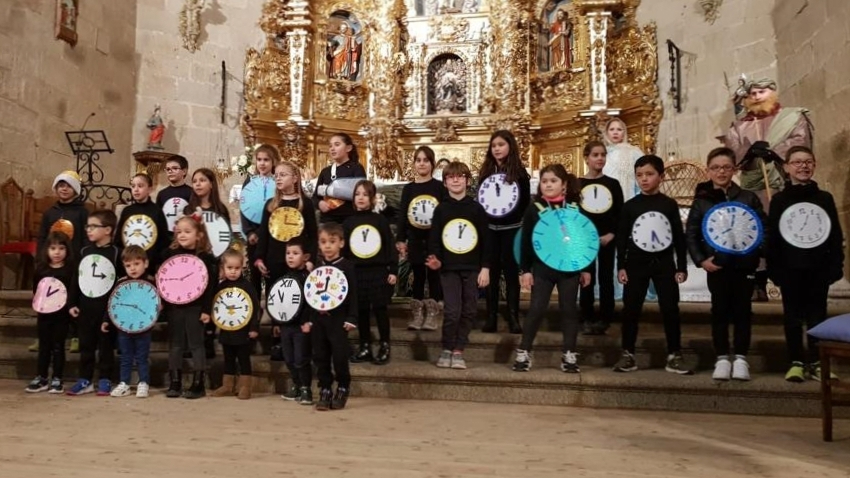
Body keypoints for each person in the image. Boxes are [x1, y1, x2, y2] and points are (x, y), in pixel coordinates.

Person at [723, 78, 813, 301]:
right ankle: (758, 282)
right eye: (752, 93)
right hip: (753, 189)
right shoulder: (740, 124)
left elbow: (801, 141)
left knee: (784, 230)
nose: (756, 97)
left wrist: (775, 151)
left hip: (782, 185)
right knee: (756, 233)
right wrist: (749, 151)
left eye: (761, 92)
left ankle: (790, 281)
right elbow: (732, 150)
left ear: (773, 93)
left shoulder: (792, 117)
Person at [685, 147, 766, 381]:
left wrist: (756, 253)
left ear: (734, 169)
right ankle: (721, 357)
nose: (721, 172)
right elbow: (691, 233)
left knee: (743, 311)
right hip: (717, 266)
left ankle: (741, 358)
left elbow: (762, 227)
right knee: (719, 311)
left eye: (726, 167)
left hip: (744, 265)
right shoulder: (702, 201)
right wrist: (702, 260)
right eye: (716, 168)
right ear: (708, 171)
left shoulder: (748, 197)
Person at [766, 146, 844, 383]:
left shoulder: (824, 198)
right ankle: (796, 362)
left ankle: (818, 362)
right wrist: (774, 269)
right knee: (792, 317)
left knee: (817, 317)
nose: (803, 166)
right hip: (790, 268)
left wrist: (835, 265)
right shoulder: (779, 200)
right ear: (788, 167)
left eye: (808, 161)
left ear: (814, 165)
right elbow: (773, 238)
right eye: (797, 162)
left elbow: (834, 234)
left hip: (818, 267)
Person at [613, 155, 691, 374]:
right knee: (631, 310)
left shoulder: (669, 204)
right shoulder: (630, 207)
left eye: (649, 174)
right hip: (636, 264)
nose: (644, 179)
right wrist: (621, 266)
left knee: (670, 309)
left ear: (661, 177)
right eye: (639, 175)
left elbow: (678, 236)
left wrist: (682, 266)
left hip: (664, 263)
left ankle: (674, 354)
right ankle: (628, 354)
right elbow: (621, 238)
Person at [512, 164, 591, 373]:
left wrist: (586, 268)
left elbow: (583, 240)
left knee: (569, 310)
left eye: (553, 181)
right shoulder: (534, 208)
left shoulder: (574, 208)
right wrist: (525, 270)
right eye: (545, 181)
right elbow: (526, 242)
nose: (548, 184)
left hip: (569, 269)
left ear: (563, 185)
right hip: (542, 268)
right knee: (536, 309)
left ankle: (569, 354)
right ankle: (524, 352)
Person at [427, 161, 490, 369]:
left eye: (460, 176)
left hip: (472, 267)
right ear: (445, 182)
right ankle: (447, 348)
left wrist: (485, 267)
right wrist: (435, 259)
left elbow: (485, 240)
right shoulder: (441, 209)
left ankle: (458, 349)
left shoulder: (476, 208)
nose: (456, 179)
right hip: (449, 268)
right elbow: (434, 238)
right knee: (453, 311)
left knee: (470, 309)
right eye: (451, 177)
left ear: (467, 181)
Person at [477, 130, 530, 334]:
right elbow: (481, 200)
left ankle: (513, 317)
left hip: (511, 230)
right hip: (490, 230)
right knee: (491, 271)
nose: (497, 148)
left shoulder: (519, 173)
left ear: (510, 146)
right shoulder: (486, 173)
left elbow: (524, 202)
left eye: (501, 144)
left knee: (510, 274)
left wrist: (512, 217)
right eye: (494, 145)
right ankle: (491, 317)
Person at [162, 215, 218, 399]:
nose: (182, 235)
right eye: (179, 232)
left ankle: (198, 382)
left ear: (199, 235)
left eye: (187, 231)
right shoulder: (170, 256)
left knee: (196, 344)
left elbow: (210, 287)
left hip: (196, 307)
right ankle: (175, 381)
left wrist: (206, 310)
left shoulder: (205, 258)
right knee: (175, 344)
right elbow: (164, 279)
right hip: (175, 307)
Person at [67, 210, 122, 396]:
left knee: (106, 345)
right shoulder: (84, 251)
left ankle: (105, 379)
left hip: (106, 308)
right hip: (86, 306)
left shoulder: (116, 253)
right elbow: (77, 278)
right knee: (86, 345)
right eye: (87, 226)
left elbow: (119, 283)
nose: (89, 230)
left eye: (93, 226)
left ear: (107, 229)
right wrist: (72, 302)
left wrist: (112, 311)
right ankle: (85, 379)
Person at [344, 180, 398, 365]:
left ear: (372, 198)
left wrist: (393, 269)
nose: (360, 198)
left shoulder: (380, 220)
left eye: (365, 194)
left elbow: (389, 246)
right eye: (357, 194)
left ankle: (384, 345)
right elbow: (345, 251)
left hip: (378, 271)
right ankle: (365, 345)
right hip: (357, 272)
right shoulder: (349, 222)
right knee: (362, 311)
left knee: (380, 309)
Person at [34, 170, 88, 354]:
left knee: (71, 299)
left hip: (73, 263)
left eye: (68, 186)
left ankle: (74, 335)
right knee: (47, 298)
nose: (64, 189)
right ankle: (43, 336)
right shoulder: (50, 212)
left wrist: (82, 259)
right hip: (52, 263)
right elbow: (43, 237)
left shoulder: (82, 212)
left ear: (76, 189)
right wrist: (41, 258)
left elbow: (84, 237)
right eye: (61, 185)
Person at [306, 223, 358, 410]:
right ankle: (325, 389)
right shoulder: (317, 268)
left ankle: (343, 387)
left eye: (332, 242)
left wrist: (352, 317)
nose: (327, 246)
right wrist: (311, 318)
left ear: (341, 243)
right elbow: (311, 294)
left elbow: (353, 294)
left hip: (338, 320)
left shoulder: (347, 267)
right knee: (320, 356)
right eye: (323, 242)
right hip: (319, 320)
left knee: (339, 356)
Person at [397, 146, 446, 330]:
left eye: (426, 160)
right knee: (417, 275)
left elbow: (444, 213)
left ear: (432, 164)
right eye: (418, 160)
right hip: (416, 239)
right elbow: (402, 215)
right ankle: (417, 314)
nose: (422, 163)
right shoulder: (409, 189)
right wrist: (401, 239)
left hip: (434, 239)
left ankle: (433, 314)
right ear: (414, 164)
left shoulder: (439, 187)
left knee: (434, 275)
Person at [578, 141, 624, 335]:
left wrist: (612, 234)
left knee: (606, 277)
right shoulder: (578, 184)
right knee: (586, 278)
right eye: (595, 155)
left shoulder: (613, 184)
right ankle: (586, 317)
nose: (600, 158)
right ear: (586, 158)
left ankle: (605, 317)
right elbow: (577, 214)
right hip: (585, 239)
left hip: (607, 237)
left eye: (603, 155)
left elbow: (619, 213)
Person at [186, 168, 231, 359]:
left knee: (209, 301)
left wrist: (222, 264)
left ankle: (208, 339)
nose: (197, 184)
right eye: (195, 181)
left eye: (202, 180)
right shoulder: (189, 210)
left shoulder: (220, 210)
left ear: (211, 184)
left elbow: (226, 239)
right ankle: (192, 341)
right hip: (193, 263)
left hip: (212, 263)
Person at [101, 246, 157, 398]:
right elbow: (113, 303)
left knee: (142, 356)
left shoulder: (152, 282)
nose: (132, 268)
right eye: (128, 265)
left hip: (143, 327)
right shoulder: (121, 282)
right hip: (124, 326)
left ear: (145, 264)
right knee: (125, 356)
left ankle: (143, 382)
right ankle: (124, 383)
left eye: (136, 264)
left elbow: (156, 304)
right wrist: (107, 320)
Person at [26, 232, 78, 393]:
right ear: (46, 250)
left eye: (61, 248)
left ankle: (57, 378)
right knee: (44, 346)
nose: (57, 252)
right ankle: (41, 377)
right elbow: (38, 291)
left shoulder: (70, 271)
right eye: (53, 248)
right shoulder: (41, 269)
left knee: (58, 346)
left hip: (61, 316)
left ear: (67, 250)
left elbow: (72, 292)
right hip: (44, 314)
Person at [255, 161, 317, 289]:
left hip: (299, 262)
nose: (278, 178)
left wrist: (311, 260)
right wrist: (260, 258)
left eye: (283, 175)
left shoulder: (306, 204)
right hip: (274, 260)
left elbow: (313, 235)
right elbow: (263, 233)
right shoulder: (270, 204)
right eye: (276, 175)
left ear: (295, 178)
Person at [211, 248, 261, 400]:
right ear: (223, 268)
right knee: (228, 359)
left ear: (242, 268)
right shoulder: (220, 287)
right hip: (227, 330)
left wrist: (254, 327)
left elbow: (255, 307)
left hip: (244, 331)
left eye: (237, 268)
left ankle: (245, 386)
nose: (233, 271)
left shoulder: (248, 286)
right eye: (229, 268)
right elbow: (216, 307)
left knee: (244, 358)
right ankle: (227, 385)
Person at [275, 240, 314, 405]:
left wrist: (309, 322)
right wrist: (277, 321)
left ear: (305, 257)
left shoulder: (309, 278)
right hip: (286, 325)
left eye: (295, 253)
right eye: (288, 253)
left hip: (301, 326)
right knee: (289, 358)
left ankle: (306, 388)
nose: (290, 257)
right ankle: (296, 385)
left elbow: (312, 302)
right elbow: (278, 300)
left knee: (301, 358)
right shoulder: (285, 277)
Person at [241, 144, 278, 302]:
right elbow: (244, 207)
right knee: (255, 274)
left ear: (273, 162)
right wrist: (249, 232)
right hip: (254, 235)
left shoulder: (278, 181)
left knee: (272, 273)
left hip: (272, 234)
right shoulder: (249, 181)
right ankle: (255, 310)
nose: (262, 163)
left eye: (266, 160)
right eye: (259, 160)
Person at [115, 173, 169, 271]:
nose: (136, 189)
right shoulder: (127, 211)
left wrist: (156, 261)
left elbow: (163, 240)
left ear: (150, 189)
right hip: (129, 264)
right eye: (133, 186)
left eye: (140, 186)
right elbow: (119, 238)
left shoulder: (156, 211)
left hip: (150, 264)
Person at [314, 133, 367, 224]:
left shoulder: (356, 168)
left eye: (337, 145)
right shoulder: (325, 172)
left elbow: (361, 194)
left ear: (348, 148)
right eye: (330, 146)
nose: (332, 148)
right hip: (328, 220)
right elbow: (315, 197)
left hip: (351, 219)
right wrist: (320, 203)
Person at [601, 118, 644, 202]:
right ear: (607, 133)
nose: (615, 132)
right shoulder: (602, 153)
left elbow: (641, 174)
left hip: (629, 197)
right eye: (612, 129)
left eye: (619, 129)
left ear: (624, 133)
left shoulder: (634, 152)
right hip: (607, 196)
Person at [155, 154, 193, 237]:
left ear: (184, 171)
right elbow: (158, 218)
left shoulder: (192, 192)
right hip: (165, 237)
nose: (170, 171)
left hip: (185, 236)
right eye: (168, 169)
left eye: (175, 168)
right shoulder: (162, 194)